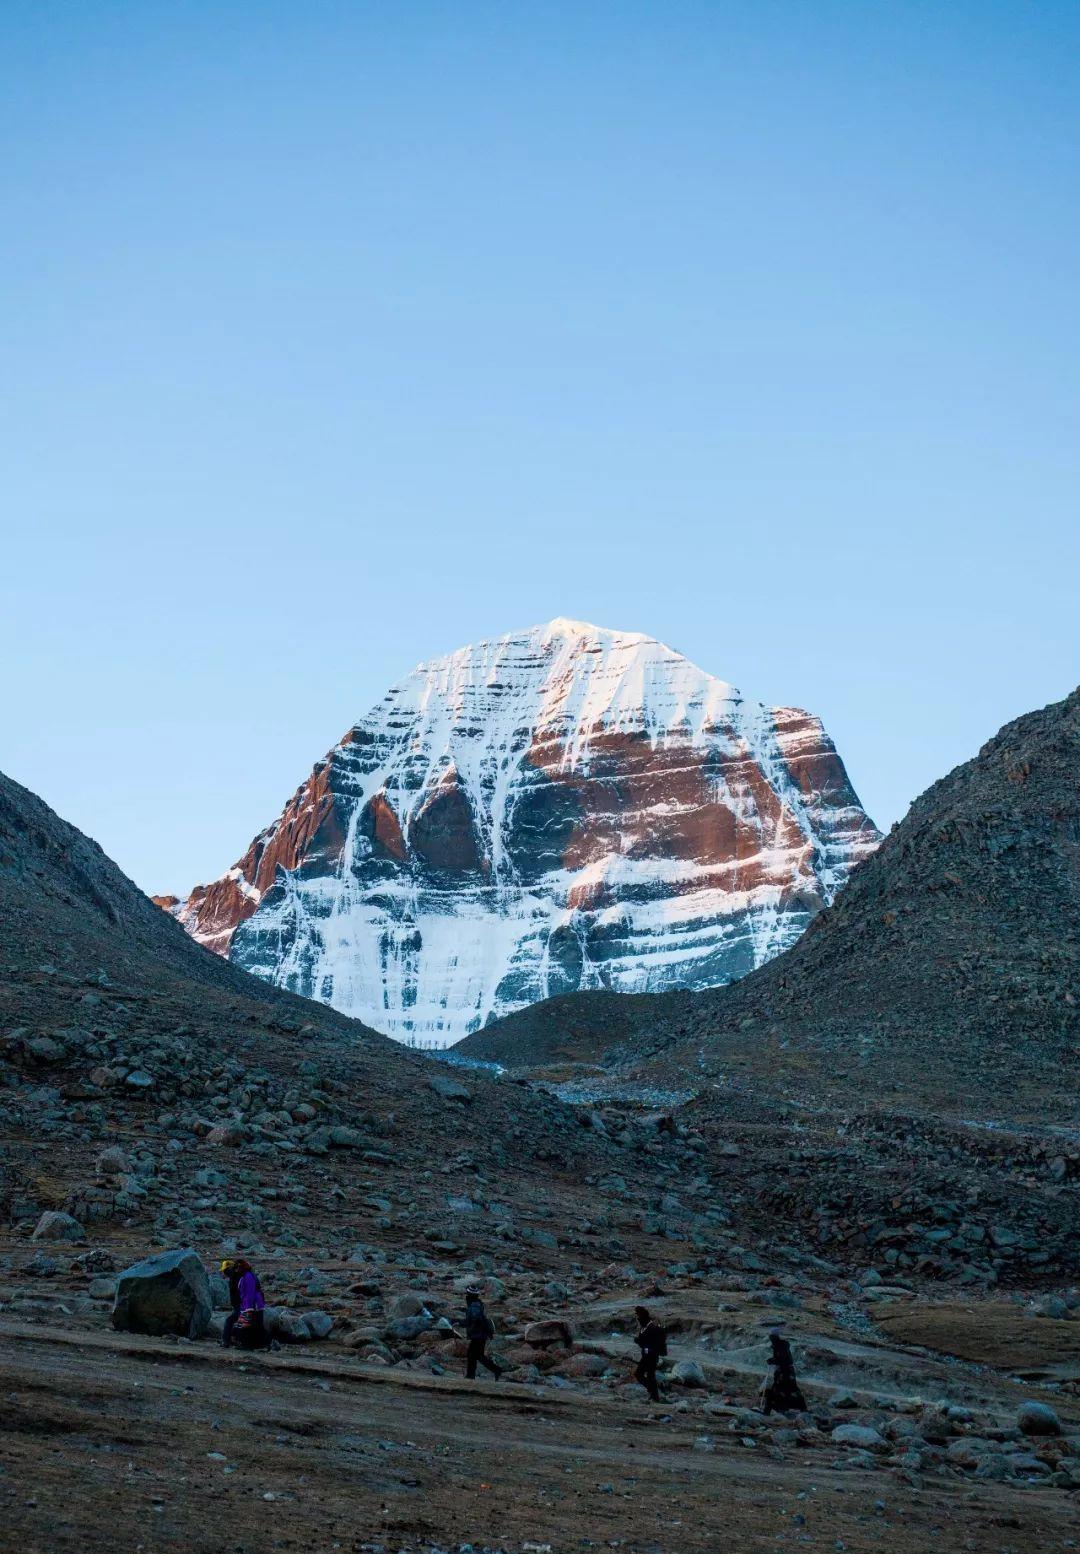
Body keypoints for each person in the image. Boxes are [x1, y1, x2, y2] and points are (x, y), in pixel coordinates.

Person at [221, 1258, 269, 1351]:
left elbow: (249, 1293)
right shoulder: (247, 1275)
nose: (236, 1270)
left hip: (251, 1304)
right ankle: (258, 1345)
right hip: (255, 1304)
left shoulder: (247, 1277)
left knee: (246, 1324)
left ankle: (246, 1344)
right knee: (255, 1324)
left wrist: (247, 1308)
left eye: (237, 1268)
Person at [760, 1330, 807, 1414]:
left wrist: (773, 1361)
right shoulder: (780, 1346)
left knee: (781, 1389)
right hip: (786, 1372)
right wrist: (773, 1360)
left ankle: (769, 1410)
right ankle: (776, 1408)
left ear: (775, 1337)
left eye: (771, 1337)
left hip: (785, 1372)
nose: (770, 1339)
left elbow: (783, 1360)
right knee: (788, 1389)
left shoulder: (780, 1346)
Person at [462, 1287, 501, 1380]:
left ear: (470, 1296)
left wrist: (464, 1324)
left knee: (473, 1355)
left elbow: (476, 1320)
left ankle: (471, 1375)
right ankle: (494, 1370)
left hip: (478, 1335)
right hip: (480, 1335)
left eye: (467, 1294)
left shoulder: (474, 1306)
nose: (466, 1296)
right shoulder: (477, 1304)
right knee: (477, 1355)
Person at [633, 1305, 665, 1402]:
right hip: (646, 1355)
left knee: (646, 1375)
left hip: (651, 1356)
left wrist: (640, 1341)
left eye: (638, 1316)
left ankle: (654, 1395)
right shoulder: (645, 1327)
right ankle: (653, 1393)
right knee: (643, 1375)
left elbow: (651, 1342)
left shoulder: (651, 1328)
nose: (638, 1319)